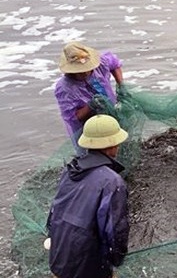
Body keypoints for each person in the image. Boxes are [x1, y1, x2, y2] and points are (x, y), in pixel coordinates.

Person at [46, 114, 130, 278]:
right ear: (112, 145)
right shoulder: (113, 182)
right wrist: (116, 260)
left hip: (58, 258)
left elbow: (54, 213)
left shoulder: (70, 170)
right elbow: (115, 231)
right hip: (87, 267)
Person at [54, 42, 124, 154]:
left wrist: (121, 85)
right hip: (86, 128)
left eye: (87, 68)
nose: (86, 72)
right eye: (80, 71)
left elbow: (115, 64)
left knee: (116, 142)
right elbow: (73, 117)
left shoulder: (99, 64)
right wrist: (91, 105)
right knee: (94, 154)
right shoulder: (65, 89)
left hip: (111, 112)